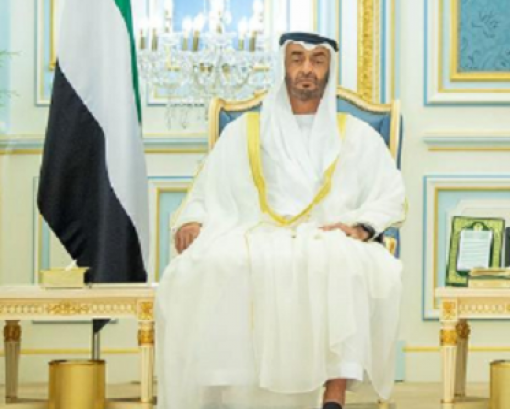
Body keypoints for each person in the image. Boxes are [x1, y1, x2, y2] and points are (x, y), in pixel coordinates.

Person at [156, 33, 407, 409]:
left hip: (327, 234)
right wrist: (193, 219)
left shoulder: (357, 134)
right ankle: (225, 387)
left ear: (329, 69)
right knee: (213, 263)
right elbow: (207, 189)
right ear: (283, 66)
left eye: (317, 60)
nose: (307, 69)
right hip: (253, 230)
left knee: (340, 261)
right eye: (297, 59)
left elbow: (390, 193)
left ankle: (334, 392)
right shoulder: (245, 130)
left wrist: (361, 227)